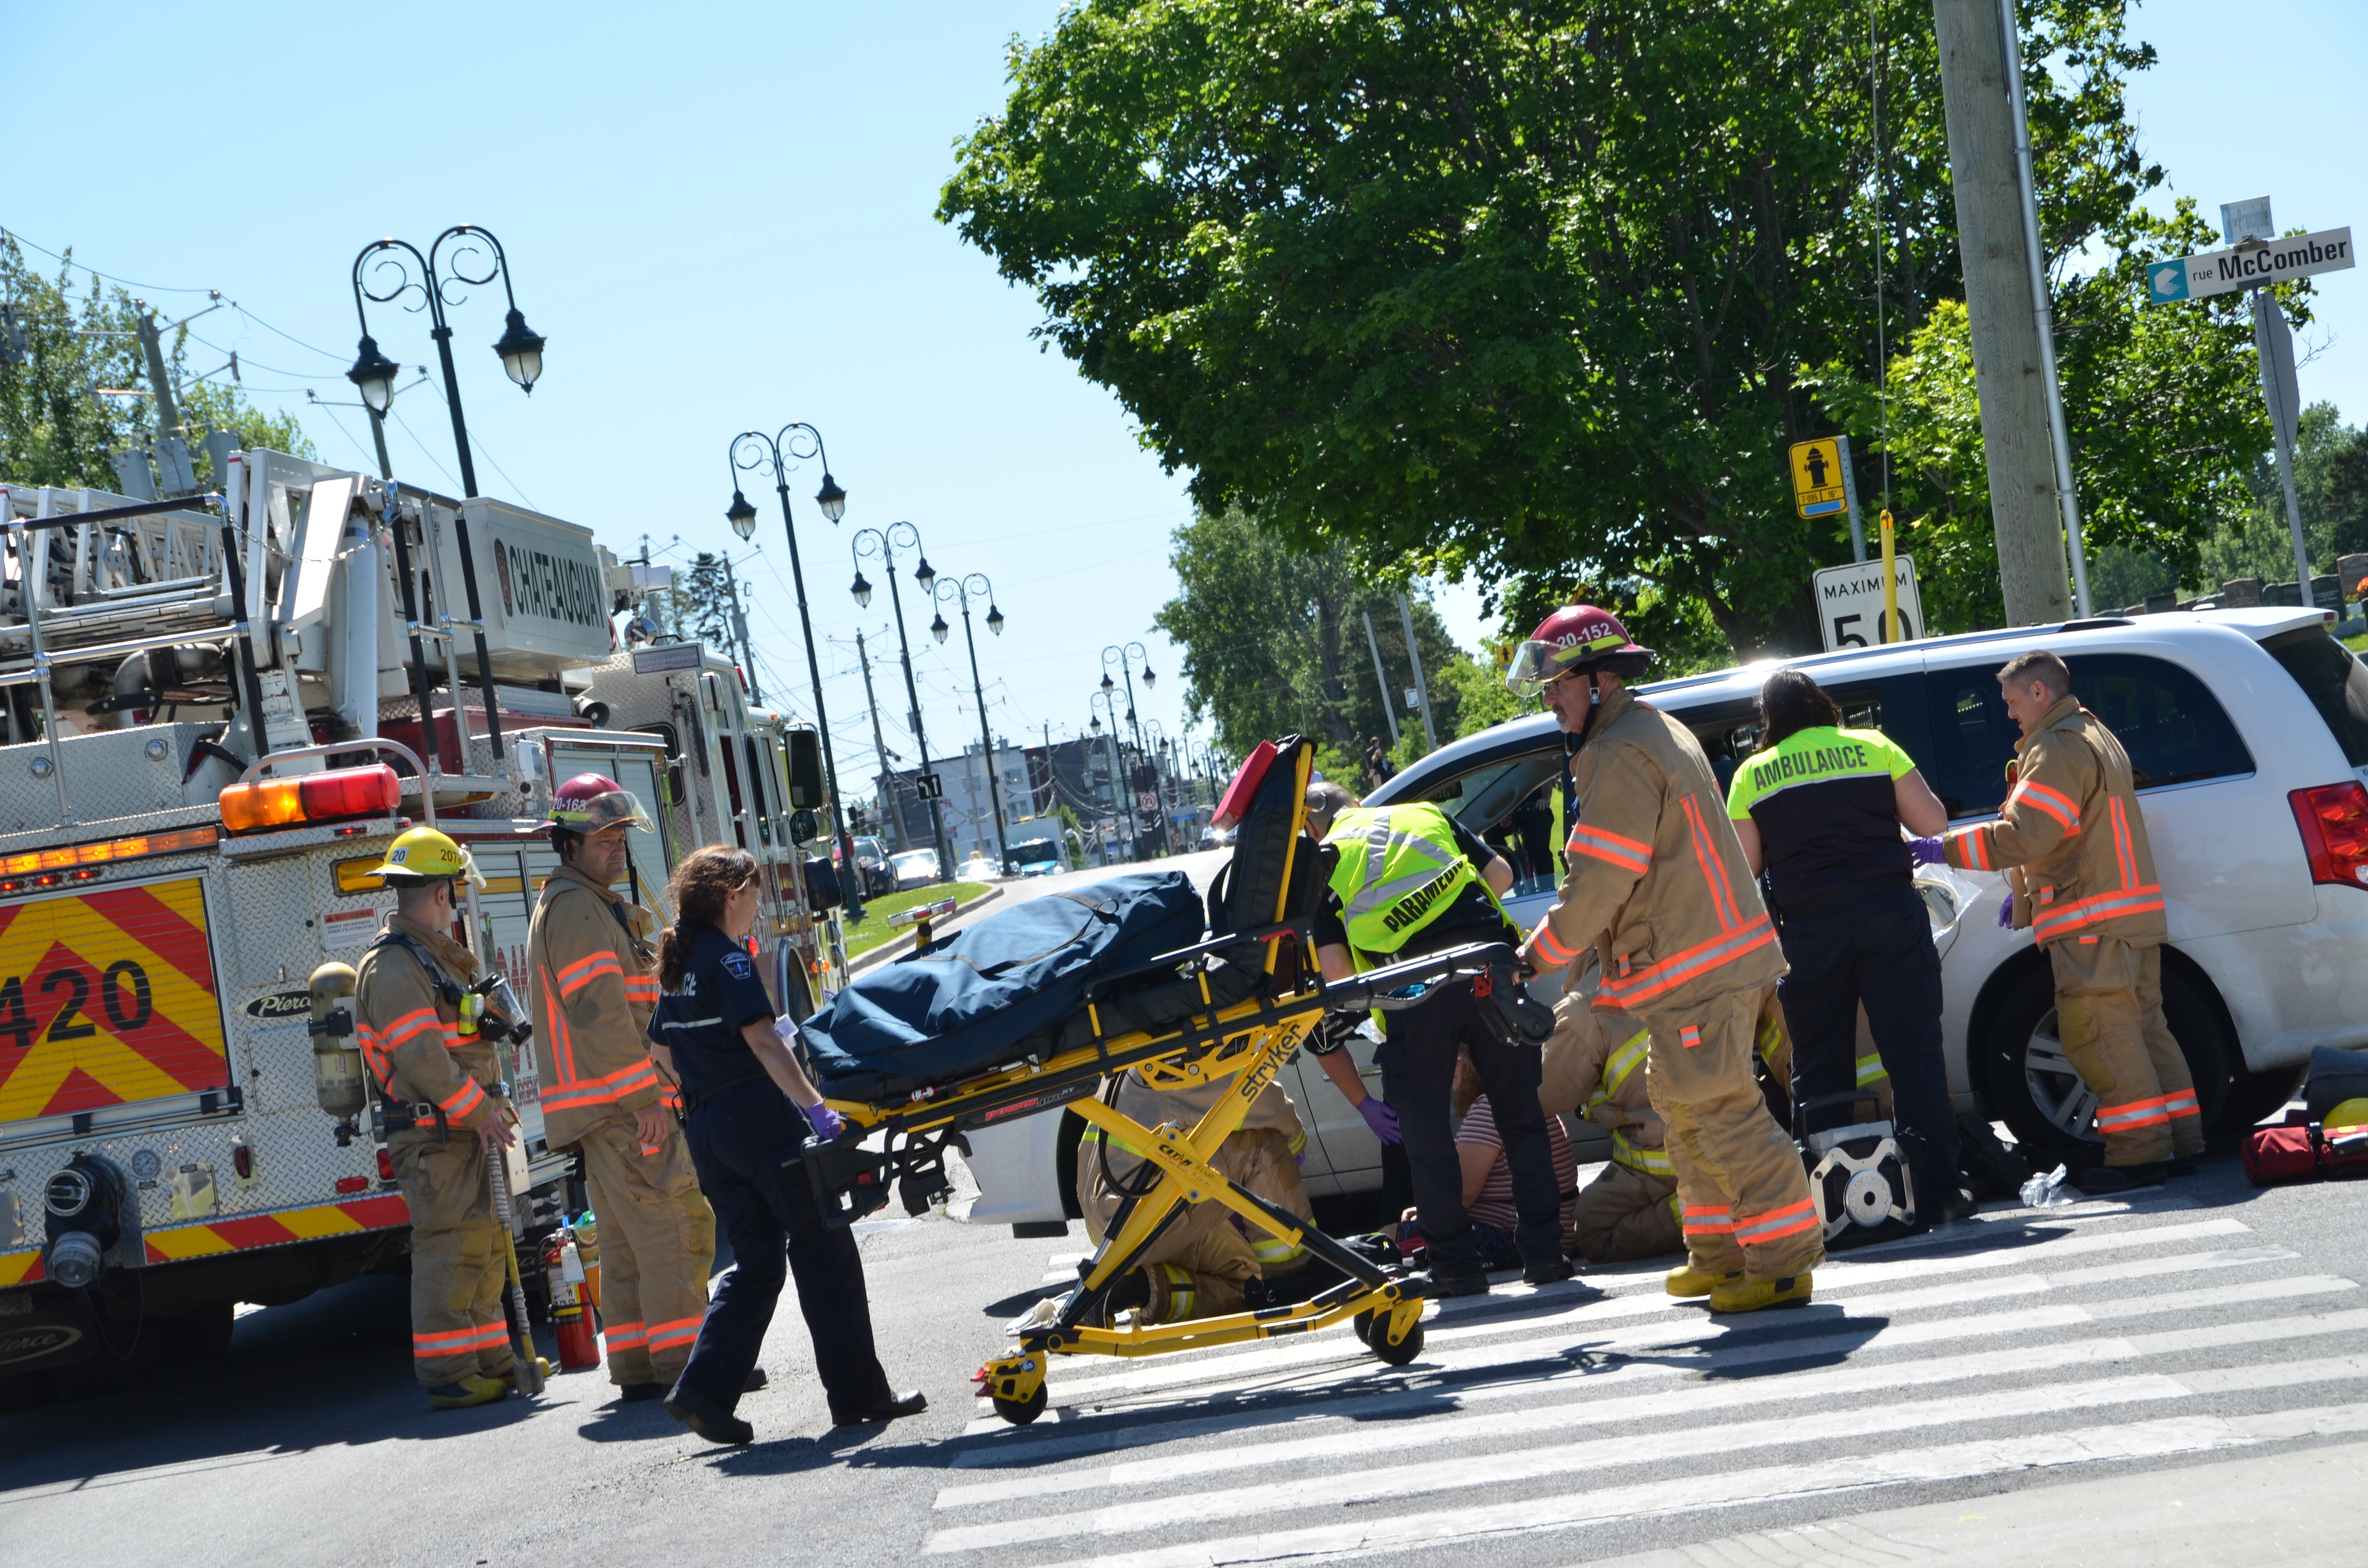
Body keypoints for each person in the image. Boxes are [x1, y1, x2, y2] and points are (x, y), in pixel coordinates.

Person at [1507, 603, 1821, 1313]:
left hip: (1694, 971)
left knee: (1723, 1113)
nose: (1549, 698)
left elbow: (1600, 880)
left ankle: (1779, 1262)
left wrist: (1535, 958)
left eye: (1557, 683)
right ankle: (1717, 1254)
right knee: (1683, 1113)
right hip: (1696, 967)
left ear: (1598, 678)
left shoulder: (1616, 753)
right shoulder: (1651, 728)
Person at [648, 846, 925, 1443]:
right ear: (730, 897)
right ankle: (859, 1397)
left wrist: (704, 1086)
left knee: (757, 1262)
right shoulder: (728, 961)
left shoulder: (681, 961)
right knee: (825, 1249)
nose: (757, 905)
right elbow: (767, 1044)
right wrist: (817, 1110)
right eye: (751, 893)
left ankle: (702, 1392)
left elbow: (661, 1051)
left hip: (707, 1131)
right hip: (758, 1124)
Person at [1936, 650, 2200, 1193]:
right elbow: (2067, 832)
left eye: (2011, 702)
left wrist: (1937, 848)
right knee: (2145, 1029)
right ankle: (2179, 1139)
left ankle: (2138, 1152)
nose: (2008, 714)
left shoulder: (2054, 748)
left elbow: (2024, 834)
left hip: (2089, 922)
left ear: (2039, 693)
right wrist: (2024, 890)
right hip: (2128, 918)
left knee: (2100, 1037)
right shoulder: (2094, 733)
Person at [1724, 670, 1975, 1226]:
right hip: (1888, 912)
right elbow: (1931, 822)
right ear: (1822, 704)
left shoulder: (1750, 775)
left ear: (1768, 720)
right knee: (1914, 1057)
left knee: (1818, 1066)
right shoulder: (1871, 745)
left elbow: (1745, 871)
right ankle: (1940, 1189)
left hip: (1810, 932)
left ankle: (1833, 1199)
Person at [1306, 783, 1572, 1295]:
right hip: (1488, 967)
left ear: (1312, 827)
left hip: (1416, 989)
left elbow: (1337, 971)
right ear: (1358, 805)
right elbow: (1500, 874)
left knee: (1425, 1129)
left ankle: (1455, 1264)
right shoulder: (1423, 815)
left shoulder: (1324, 862)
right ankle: (1544, 1254)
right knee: (1518, 1115)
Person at [527, 773, 717, 1401]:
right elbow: (601, 1016)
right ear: (569, 843)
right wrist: (645, 1099)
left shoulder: (581, 903)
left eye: (620, 835)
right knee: (674, 1225)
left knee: (629, 1243)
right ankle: (693, 1366)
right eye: (601, 836)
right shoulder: (578, 910)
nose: (616, 846)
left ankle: (639, 1365)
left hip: (604, 1109)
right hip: (623, 1106)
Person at [353, 827, 539, 1410]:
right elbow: (421, 1059)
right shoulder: (392, 968)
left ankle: (489, 1358)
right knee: (447, 1247)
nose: (456, 905)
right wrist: (480, 1111)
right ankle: (448, 1374)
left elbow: (453, 1039)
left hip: (460, 1130)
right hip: (435, 1134)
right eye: (455, 893)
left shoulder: (428, 957)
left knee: (481, 1246)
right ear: (440, 894)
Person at [1072, 1072, 1315, 1322]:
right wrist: (1294, 1146)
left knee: (1248, 1277)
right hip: (1144, 1210)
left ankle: (1138, 1288)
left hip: (1114, 1225)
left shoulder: (1127, 1067)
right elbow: (1264, 1102)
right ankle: (1294, 1282)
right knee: (1263, 1147)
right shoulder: (1179, 1064)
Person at [1538, 962, 1681, 1263]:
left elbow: (1545, 1096)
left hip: (1663, 1163)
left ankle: (1699, 1212)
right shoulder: (1690, 953)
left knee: (1592, 1229)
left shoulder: (1586, 1004)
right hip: (1726, 1137)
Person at [1431, 1053, 1578, 1268]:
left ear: (1472, 1063)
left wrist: (1429, 1212)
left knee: (1393, 1235)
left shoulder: (1490, 1107)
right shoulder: (1525, 1097)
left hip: (1512, 1235)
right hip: (1555, 1234)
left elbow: (1461, 1194)